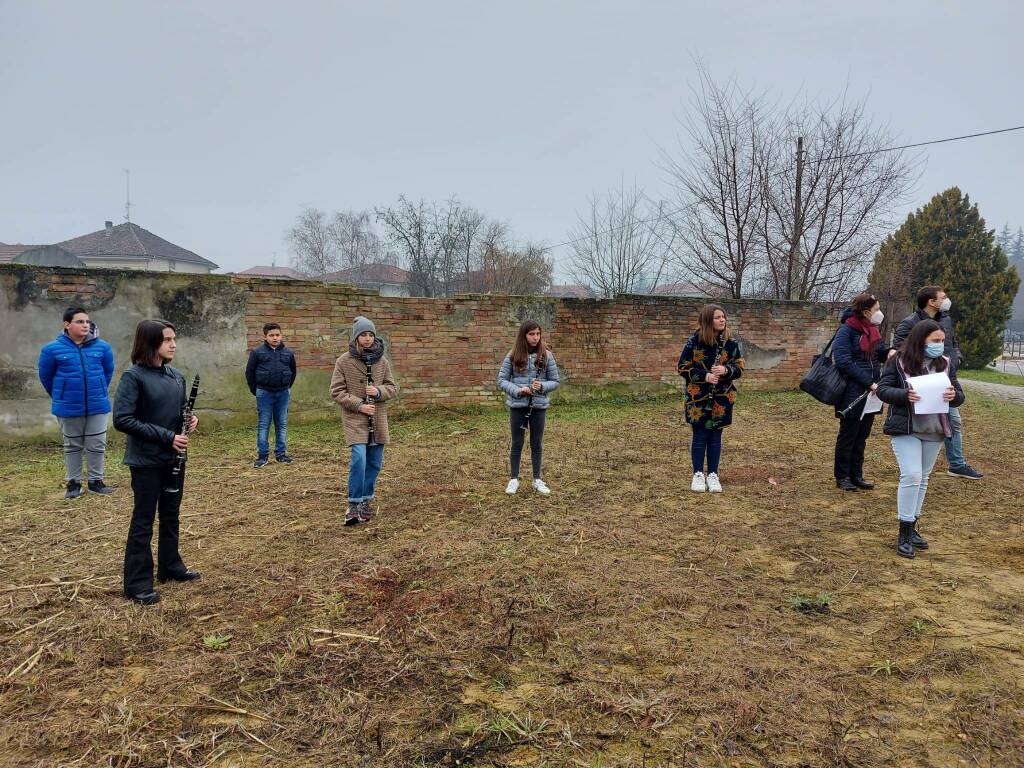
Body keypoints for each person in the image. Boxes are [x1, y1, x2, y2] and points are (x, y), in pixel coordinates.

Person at [113, 319, 200, 605]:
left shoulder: (176, 376)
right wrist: (166, 436)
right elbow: (123, 420)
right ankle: (137, 583)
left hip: (173, 457)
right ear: (151, 343)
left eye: (174, 339)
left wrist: (189, 421)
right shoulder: (133, 377)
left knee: (171, 515)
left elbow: (176, 413)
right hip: (146, 461)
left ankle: (170, 566)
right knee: (143, 520)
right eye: (167, 340)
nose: (173, 344)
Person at [876, 319, 965, 558]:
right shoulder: (898, 361)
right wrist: (905, 394)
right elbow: (883, 390)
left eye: (942, 341)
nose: (940, 345)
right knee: (912, 475)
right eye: (935, 341)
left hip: (934, 429)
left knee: (923, 478)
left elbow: (959, 395)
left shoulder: (945, 363)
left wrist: (954, 395)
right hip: (906, 427)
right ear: (920, 340)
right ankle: (903, 531)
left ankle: (913, 526)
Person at [891, 286, 982, 480]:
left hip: (944, 378)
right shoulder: (910, 323)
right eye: (943, 297)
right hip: (920, 384)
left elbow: (953, 344)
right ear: (931, 302)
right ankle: (913, 465)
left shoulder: (945, 320)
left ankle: (956, 463)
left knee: (953, 420)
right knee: (921, 423)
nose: (947, 300)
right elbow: (899, 350)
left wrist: (955, 360)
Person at [37, 307, 116, 498]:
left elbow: (107, 373)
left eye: (87, 322)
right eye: (80, 321)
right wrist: (62, 395)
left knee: (97, 444)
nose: (85, 325)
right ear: (67, 324)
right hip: (68, 407)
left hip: (97, 405)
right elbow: (46, 377)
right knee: (72, 445)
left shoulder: (103, 347)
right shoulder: (51, 350)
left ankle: (96, 482)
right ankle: (73, 484)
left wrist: (97, 391)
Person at [330, 316, 398, 526]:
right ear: (356, 337)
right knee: (359, 458)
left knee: (375, 462)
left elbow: (392, 387)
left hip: (377, 419)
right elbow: (336, 391)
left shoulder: (382, 361)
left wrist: (378, 391)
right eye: (363, 335)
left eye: (370, 335)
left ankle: (366, 500)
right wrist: (359, 404)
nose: (367, 339)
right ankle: (353, 503)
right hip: (355, 418)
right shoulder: (343, 361)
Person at [677, 304, 745, 493]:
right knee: (699, 436)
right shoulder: (694, 341)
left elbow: (739, 367)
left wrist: (726, 370)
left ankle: (713, 475)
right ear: (708, 320)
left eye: (723, 316)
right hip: (698, 398)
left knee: (716, 436)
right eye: (717, 317)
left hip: (722, 398)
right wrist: (704, 376)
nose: (722, 320)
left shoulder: (730, 342)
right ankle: (698, 474)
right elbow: (682, 367)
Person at [832, 292, 889, 491]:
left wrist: (889, 353)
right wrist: (869, 382)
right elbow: (843, 361)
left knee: (862, 435)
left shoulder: (872, 330)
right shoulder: (846, 331)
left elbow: (878, 354)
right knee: (848, 434)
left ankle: (857, 474)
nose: (879, 313)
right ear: (865, 311)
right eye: (876, 310)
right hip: (852, 392)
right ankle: (842, 476)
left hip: (872, 393)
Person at [497, 320, 561, 496]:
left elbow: (555, 381)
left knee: (536, 443)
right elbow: (501, 380)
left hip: (538, 406)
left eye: (538, 334)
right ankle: (514, 479)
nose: (535, 338)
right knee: (517, 442)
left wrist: (542, 387)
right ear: (524, 335)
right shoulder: (512, 355)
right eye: (531, 334)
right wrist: (518, 391)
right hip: (518, 406)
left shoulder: (547, 355)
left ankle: (537, 479)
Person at [245, 322, 297, 467]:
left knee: (282, 424)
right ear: (265, 336)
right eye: (271, 335)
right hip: (264, 393)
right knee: (264, 424)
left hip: (283, 393)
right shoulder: (257, 353)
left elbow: (293, 372)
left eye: (277, 335)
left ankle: (281, 454)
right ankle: (262, 456)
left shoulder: (289, 353)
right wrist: (256, 391)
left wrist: (286, 387)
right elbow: (249, 373)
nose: (275, 338)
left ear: (281, 335)